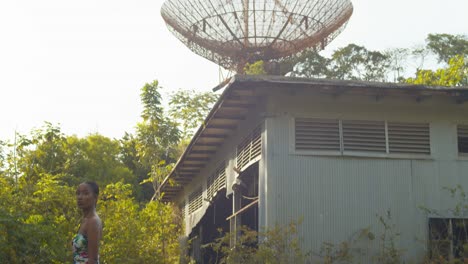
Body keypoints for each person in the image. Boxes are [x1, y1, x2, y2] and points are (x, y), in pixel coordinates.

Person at [72, 181, 103, 264]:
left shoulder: (93, 222)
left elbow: (93, 260)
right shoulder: (86, 220)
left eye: (85, 194)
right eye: (78, 193)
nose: (80, 197)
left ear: (95, 197)